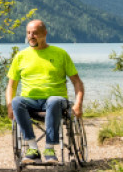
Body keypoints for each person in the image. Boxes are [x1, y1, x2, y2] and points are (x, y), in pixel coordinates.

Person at [5, 19, 84, 163]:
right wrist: (9, 105)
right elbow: (11, 86)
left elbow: (77, 82)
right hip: (30, 102)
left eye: (35, 33)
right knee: (17, 101)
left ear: (45, 33)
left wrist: (78, 103)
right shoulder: (20, 56)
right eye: (28, 33)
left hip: (56, 101)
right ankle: (33, 148)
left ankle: (49, 148)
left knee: (53, 100)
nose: (31, 36)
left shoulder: (60, 54)